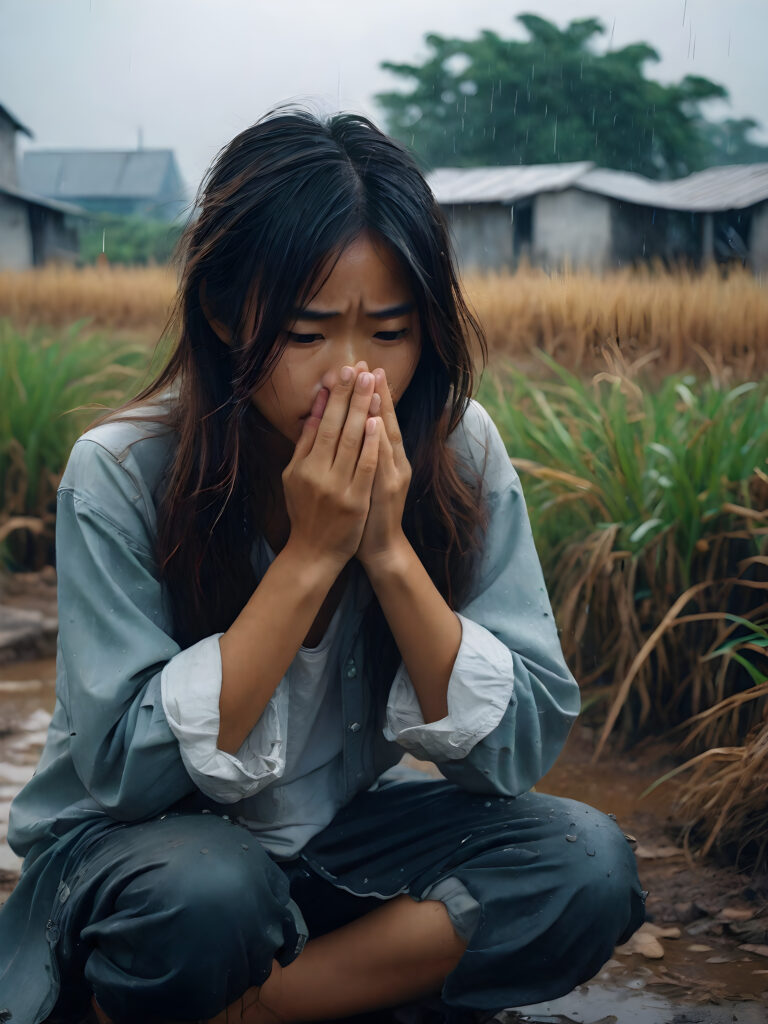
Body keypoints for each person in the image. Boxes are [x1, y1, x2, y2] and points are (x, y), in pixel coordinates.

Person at [0, 105, 645, 1024]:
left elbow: (518, 750)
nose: (351, 377)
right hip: (139, 857)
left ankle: (265, 1006)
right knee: (207, 895)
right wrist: (309, 556)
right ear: (225, 315)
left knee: (585, 865)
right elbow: (124, 775)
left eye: (389, 334)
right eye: (305, 337)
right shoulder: (118, 471)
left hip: (338, 844)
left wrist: (384, 546)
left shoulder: (459, 451)